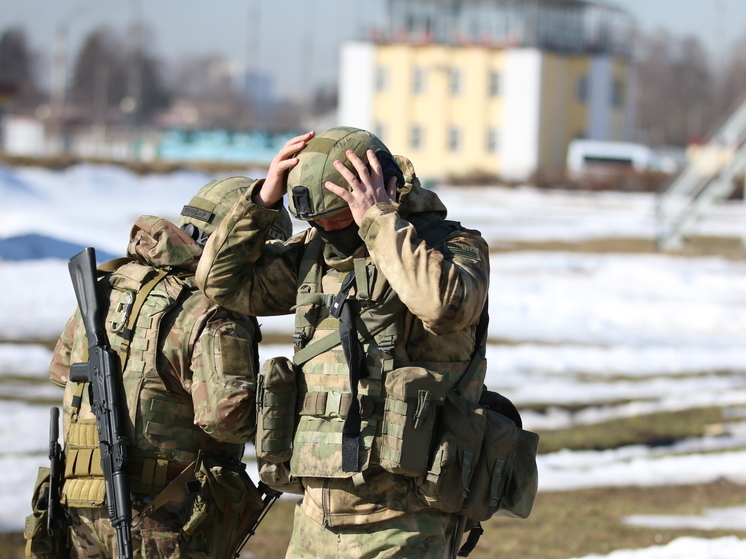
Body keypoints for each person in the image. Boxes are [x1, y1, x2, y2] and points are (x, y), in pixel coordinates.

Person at [196, 127, 491, 558]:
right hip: (319, 511)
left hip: (406, 515)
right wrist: (262, 202)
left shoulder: (452, 246)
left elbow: (446, 308)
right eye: (319, 223)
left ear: (385, 187)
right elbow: (221, 283)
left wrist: (379, 221)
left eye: (341, 218)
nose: (330, 230)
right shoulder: (317, 254)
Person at [28, 177, 291, 559]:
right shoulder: (214, 309)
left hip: (79, 503)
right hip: (161, 513)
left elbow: (62, 369)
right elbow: (226, 418)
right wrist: (282, 404)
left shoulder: (112, 281)